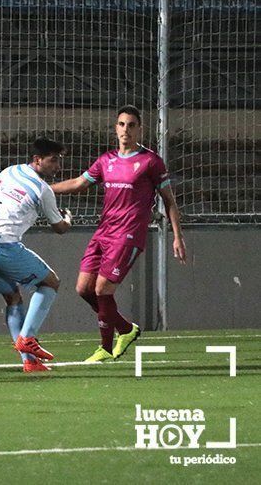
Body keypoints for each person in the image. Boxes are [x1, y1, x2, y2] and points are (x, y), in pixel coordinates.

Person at [52, 105, 187, 362]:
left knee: (103, 289)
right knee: (83, 289)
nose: (126, 129)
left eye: (132, 125)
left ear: (140, 129)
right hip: (104, 232)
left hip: (128, 235)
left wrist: (177, 236)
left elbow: (169, 200)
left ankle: (105, 347)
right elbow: (79, 183)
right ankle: (125, 329)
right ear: (116, 128)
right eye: (122, 124)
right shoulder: (106, 160)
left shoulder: (150, 162)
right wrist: (45, 189)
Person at [0, 138, 72, 373]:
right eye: (53, 160)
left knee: (14, 299)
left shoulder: (9, 171)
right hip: (3, 248)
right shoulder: (42, 189)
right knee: (50, 282)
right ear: (37, 160)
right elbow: (59, 228)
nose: (57, 166)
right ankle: (28, 338)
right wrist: (68, 218)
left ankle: (29, 362)